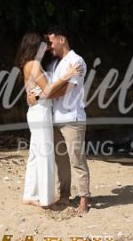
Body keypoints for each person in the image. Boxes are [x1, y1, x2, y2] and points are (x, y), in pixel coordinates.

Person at [28, 26, 90, 213]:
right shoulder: (53, 65)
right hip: (54, 119)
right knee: (60, 161)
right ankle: (64, 195)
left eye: (51, 41)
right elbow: (47, 87)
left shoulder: (76, 61)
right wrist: (36, 94)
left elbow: (63, 90)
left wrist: (39, 96)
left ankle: (84, 199)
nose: (49, 46)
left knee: (77, 159)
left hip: (72, 118)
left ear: (61, 39)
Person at [15, 32, 81, 208]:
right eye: (43, 45)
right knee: (44, 153)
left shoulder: (29, 63)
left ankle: (30, 194)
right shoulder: (34, 65)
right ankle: (45, 198)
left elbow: (40, 91)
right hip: (41, 112)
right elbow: (49, 89)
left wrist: (36, 96)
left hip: (37, 110)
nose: (46, 48)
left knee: (36, 153)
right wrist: (68, 75)